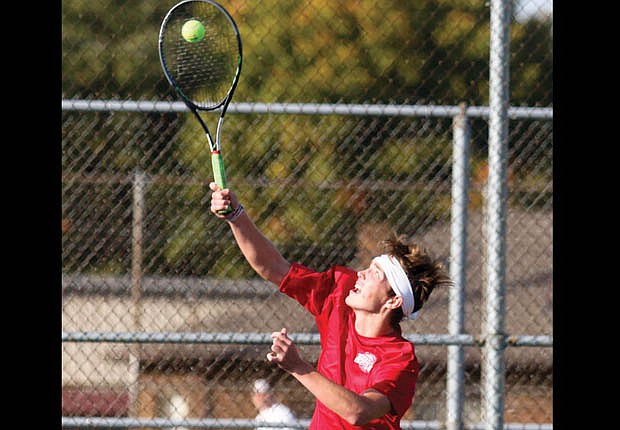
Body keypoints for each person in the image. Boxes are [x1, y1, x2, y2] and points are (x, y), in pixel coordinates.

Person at [209, 183, 452, 430]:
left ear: (393, 300)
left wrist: (299, 368)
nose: (361, 274)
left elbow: (359, 412)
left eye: (375, 273)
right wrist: (236, 216)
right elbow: (272, 267)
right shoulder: (338, 297)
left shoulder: (399, 359)